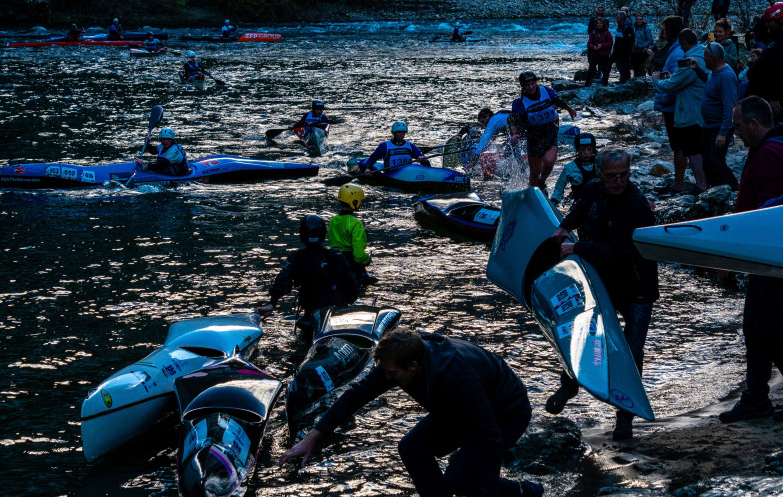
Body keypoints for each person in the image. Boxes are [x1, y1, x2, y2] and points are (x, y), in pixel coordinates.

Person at [279, 328, 544, 497]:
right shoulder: (396, 361)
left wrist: (488, 490)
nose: (388, 377)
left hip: (506, 411)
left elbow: (489, 437)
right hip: (454, 408)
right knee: (412, 447)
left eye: (393, 374)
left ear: (414, 366)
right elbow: (356, 395)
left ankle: (525, 492)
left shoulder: (457, 376)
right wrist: (312, 437)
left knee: (461, 481)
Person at [545, 148, 658, 441]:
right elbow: (579, 212)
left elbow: (620, 253)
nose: (618, 181)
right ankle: (569, 386)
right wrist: (563, 228)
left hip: (636, 288)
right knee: (579, 331)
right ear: (600, 174)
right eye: (612, 176)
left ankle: (625, 416)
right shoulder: (594, 189)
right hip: (601, 281)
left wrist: (577, 248)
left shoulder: (637, 206)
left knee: (632, 353)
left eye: (624, 176)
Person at [718, 97, 783, 423]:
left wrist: (732, 253)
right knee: (756, 328)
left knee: (767, 329)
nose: (736, 132)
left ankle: (756, 397)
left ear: (754, 124)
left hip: (768, 259)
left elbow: (769, 214)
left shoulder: (770, 155)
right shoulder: (770, 148)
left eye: (739, 125)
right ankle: (755, 397)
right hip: (763, 258)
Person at [255, 215, 359, 334]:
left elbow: (282, 279)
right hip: (336, 312)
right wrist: (347, 303)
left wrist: (272, 303)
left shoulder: (297, 257)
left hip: (311, 314)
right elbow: (352, 284)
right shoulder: (336, 255)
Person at [651, 27, 708, 194]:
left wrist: (656, 81)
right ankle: (702, 183)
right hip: (702, 109)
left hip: (691, 111)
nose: (680, 48)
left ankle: (701, 185)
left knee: (692, 149)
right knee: (697, 148)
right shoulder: (704, 53)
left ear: (685, 43)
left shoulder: (690, 60)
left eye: (681, 45)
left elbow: (671, 85)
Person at [508, 71, 577, 190]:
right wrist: (514, 133)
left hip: (550, 132)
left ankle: (542, 182)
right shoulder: (519, 103)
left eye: (532, 83)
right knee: (534, 173)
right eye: (527, 85)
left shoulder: (547, 91)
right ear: (523, 87)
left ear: (536, 82)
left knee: (549, 162)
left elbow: (558, 101)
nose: (531, 87)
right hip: (534, 136)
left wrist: (570, 110)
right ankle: (532, 192)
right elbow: (512, 120)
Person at [691, 42, 739, 189]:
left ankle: (734, 189)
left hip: (719, 128)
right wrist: (698, 70)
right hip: (709, 126)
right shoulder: (715, 72)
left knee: (716, 161)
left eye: (705, 56)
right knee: (707, 162)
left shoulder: (726, 76)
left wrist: (723, 132)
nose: (703, 59)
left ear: (711, 57)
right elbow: (711, 82)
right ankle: (715, 190)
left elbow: (730, 106)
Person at [328, 184, 376, 285]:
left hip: (335, 263)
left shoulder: (333, 220)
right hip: (352, 266)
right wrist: (368, 259)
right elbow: (359, 255)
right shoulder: (355, 223)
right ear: (354, 202)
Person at [747, 2, 783, 125]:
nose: (767, 24)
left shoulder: (780, 41)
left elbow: (781, 70)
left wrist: (775, 96)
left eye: (770, 21)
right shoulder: (773, 38)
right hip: (765, 98)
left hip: (775, 102)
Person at [550, 132, 598, 206]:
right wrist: (553, 203)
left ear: (593, 149)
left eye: (589, 149)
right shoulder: (569, 167)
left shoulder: (600, 163)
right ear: (577, 149)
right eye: (582, 149)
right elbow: (559, 189)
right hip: (580, 204)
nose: (586, 153)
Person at [584, 18, 613, 87]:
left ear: (603, 24)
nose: (599, 25)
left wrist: (601, 46)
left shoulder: (607, 33)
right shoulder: (593, 32)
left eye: (600, 23)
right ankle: (587, 84)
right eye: (598, 23)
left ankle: (605, 84)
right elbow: (589, 43)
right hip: (595, 54)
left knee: (605, 71)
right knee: (591, 70)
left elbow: (610, 43)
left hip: (604, 55)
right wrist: (593, 47)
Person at [610, 11, 635, 84]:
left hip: (624, 51)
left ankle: (626, 81)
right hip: (619, 50)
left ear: (620, 18)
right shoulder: (620, 25)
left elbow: (630, 40)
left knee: (624, 66)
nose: (616, 19)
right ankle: (623, 79)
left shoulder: (627, 27)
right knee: (620, 65)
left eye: (617, 17)